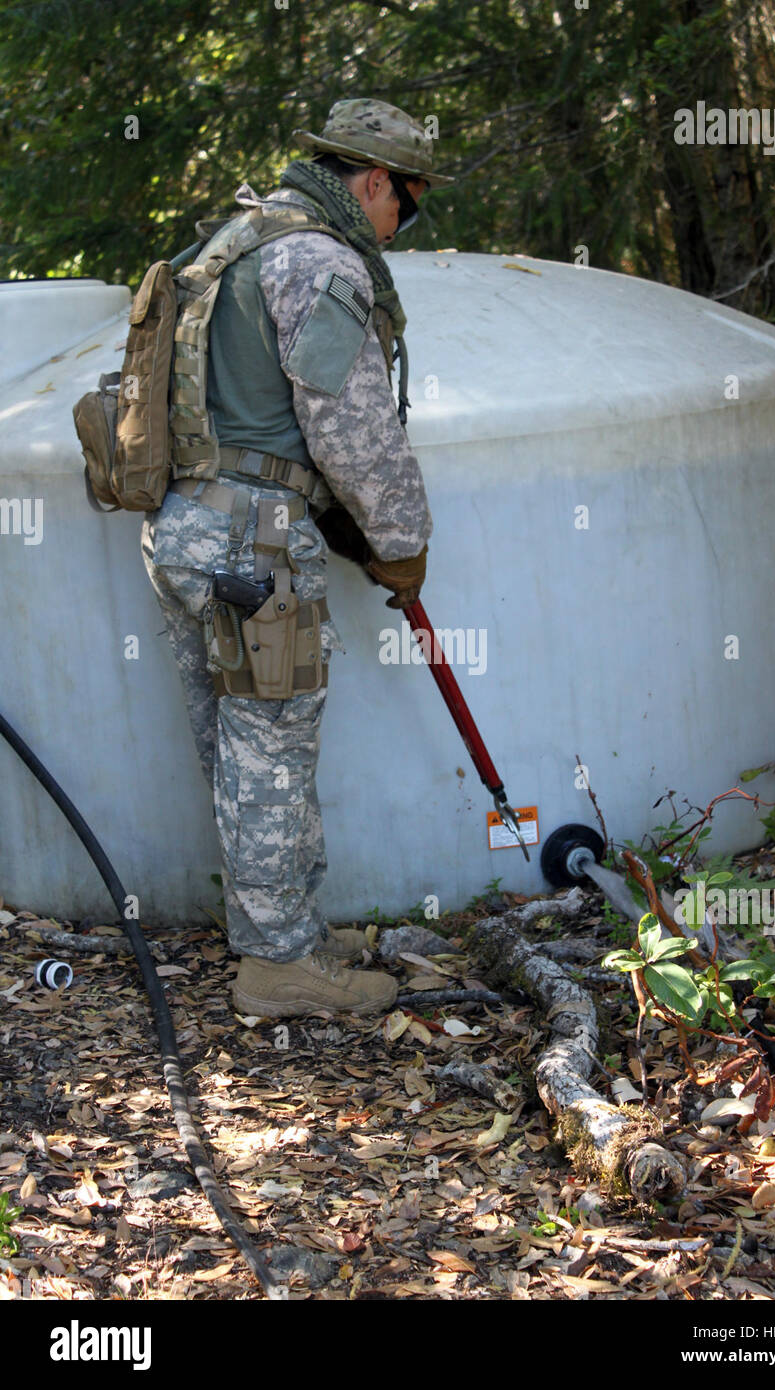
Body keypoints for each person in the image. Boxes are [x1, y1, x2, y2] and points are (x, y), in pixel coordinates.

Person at [140, 99, 451, 1018]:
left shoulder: (230, 239)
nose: (405, 221)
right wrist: (403, 547)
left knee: (234, 751)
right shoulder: (317, 259)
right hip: (254, 539)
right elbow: (350, 429)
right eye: (410, 201)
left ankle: (289, 934)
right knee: (269, 756)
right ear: (370, 182)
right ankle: (279, 968)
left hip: (182, 525)